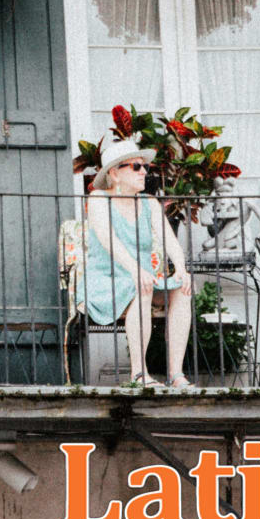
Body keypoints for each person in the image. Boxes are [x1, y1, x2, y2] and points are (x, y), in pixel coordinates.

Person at [84, 134, 192, 387]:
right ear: (114, 174)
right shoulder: (99, 200)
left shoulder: (150, 203)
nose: (144, 171)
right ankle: (139, 373)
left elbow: (170, 241)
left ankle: (176, 374)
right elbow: (110, 241)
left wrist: (182, 270)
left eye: (145, 166)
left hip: (143, 277)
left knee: (183, 290)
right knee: (141, 286)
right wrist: (136, 271)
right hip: (107, 278)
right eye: (135, 166)